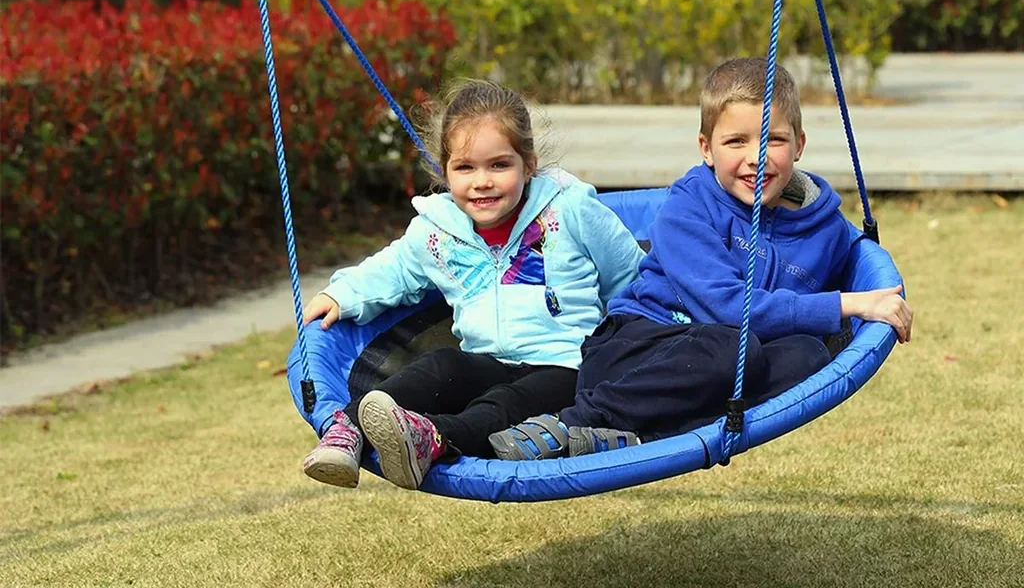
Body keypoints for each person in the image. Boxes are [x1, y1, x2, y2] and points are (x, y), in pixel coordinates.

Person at [489, 57, 914, 461]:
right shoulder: (688, 205)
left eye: (775, 140)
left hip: (723, 371)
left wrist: (867, 309)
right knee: (728, 345)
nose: (756, 157)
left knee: (807, 356)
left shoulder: (824, 230)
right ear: (706, 149)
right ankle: (576, 423)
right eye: (736, 142)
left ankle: (640, 436)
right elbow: (730, 309)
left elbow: (849, 279)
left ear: (799, 145)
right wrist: (849, 303)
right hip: (633, 350)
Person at [300, 80, 645, 490]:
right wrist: (341, 293)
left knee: (504, 405)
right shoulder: (437, 232)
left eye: (499, 165)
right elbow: (392, 269)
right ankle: (348, 430)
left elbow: (630, 274)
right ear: (445, 171)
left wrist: (631, 349)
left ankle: (434, 437)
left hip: (568, 365)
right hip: (486, 361)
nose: (482, 181)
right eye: (465, 168)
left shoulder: (570, 210)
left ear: (528, 163)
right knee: (440, 366)